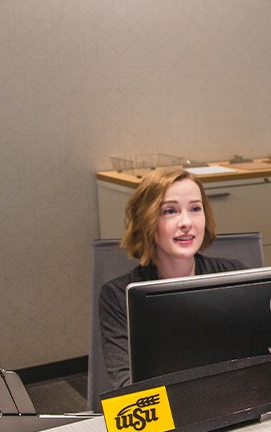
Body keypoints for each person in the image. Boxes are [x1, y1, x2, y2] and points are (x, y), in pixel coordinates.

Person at [98, 167, 246, 391]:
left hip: (233, 402)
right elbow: (126, 387)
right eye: (170, 211)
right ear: (147, 221)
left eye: (195, 208)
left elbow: (257, 363)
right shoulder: (119, 296)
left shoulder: (235, 276)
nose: (186, 222)